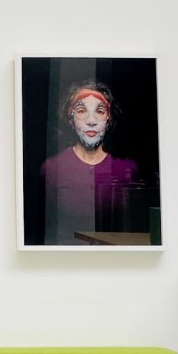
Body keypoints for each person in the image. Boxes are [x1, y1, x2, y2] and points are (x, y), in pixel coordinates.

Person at [40, 80, 140, 245]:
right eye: (81, 111)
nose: (91, 120)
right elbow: (46, 232)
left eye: (100, 111)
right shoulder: (52, 168)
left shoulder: (127, 168)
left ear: (109, 119)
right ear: (70, 119)